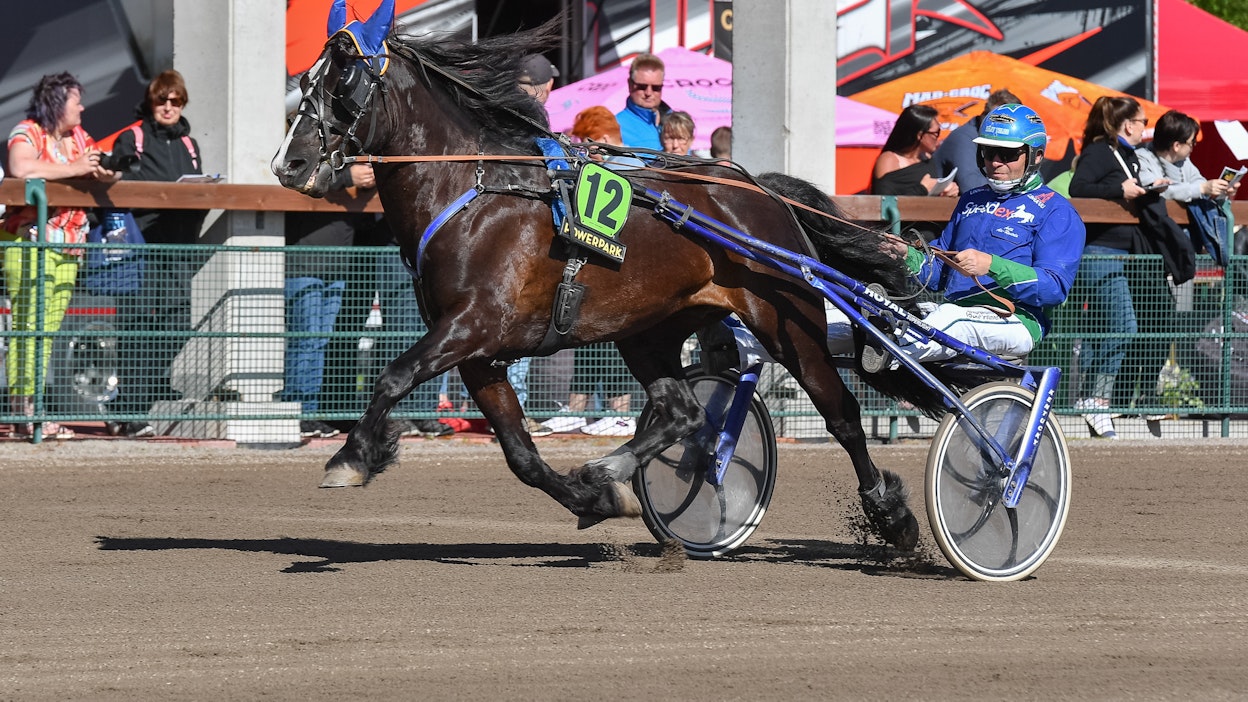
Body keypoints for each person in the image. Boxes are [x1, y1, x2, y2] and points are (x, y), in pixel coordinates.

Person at [828, 104, 1084, 372]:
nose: (995, 161)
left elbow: (1054, 288)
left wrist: (992, 265)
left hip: (1017, 319)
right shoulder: (971, 200)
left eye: (1007, 154)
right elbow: (938, 273)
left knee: (950, 318)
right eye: (988, 151)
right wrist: (907, 255)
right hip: (955, 311)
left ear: (1037, 155)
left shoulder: (1057, 211)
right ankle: (792, 345)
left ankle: (887, 347)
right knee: (852, 311)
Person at [2, 72, 122, 439]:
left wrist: (105, 168)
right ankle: (26, 413)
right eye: (76, 101)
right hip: (31, 243)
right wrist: (74, 170)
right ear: (57, 104)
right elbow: (21, 168)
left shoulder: (78, 138)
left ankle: (29, 413)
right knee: (29, 330)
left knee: (47, 333)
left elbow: (101, 166)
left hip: (69, 247)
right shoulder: (28, 132)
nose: (82, 107)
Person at [103, 69, 208, 438]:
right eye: (162, 100)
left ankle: (136, 395)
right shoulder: (132, 138)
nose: (168, 106)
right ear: (151, 102)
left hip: (178, 248)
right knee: (136, 329)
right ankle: (132, 410)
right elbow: (117, 185)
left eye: (175, 100)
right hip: (140, 248)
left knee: (178, 323)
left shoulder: (190, 145)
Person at [1067, 96, 1152, 439]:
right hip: (1100, 252)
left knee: (1100, 328)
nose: (1146, 128)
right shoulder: (1100, 152)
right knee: (1123, 326)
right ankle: (1097, 399)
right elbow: (1079, 187)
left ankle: (1091, 399)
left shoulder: (1126, 154)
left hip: (1118, 253)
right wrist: (1119, 187)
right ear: (1128, 123)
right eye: (1143, 121)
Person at [281, 162, 377, 439]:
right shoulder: (299, 155)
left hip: (337, 269)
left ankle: (311, 412)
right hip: (304, 266)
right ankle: (297, 411)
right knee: (307, 339)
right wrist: (348, 177)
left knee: (320, 341)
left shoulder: (341, 157)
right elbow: (297, 178)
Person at [933, 88, 1021, 192]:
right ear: (985, 117)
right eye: (999, 122)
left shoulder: (1010, 136)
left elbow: (1033, 174)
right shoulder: (962, 137)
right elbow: (971, 185)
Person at [871, 104, 960, 198]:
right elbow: (884, 202)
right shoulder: (889, 160)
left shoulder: (928, 159)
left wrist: (947, 191)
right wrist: (922, 189)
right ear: (919, 135)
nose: (938, 138)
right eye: (936, 133)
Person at [615, 52, 669, 151]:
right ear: (630, 85)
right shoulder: (615, 126)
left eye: (656, 88)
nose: (648, 93)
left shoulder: (677, 122)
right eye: (642, 87)